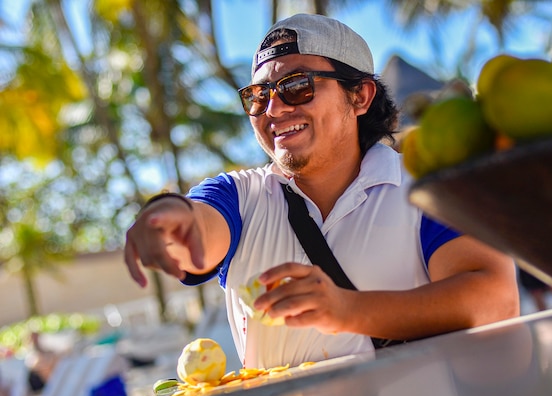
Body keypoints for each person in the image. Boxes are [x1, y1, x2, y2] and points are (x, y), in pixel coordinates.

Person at [124, 14, 519, 369]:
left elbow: (494, 299)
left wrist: (348, 311)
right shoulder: (240, 197)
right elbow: (197, 226)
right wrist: (166, 219)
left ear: (360, 96)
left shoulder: (424, 186)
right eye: (258, 96)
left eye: (297, 86)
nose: (274, 109)